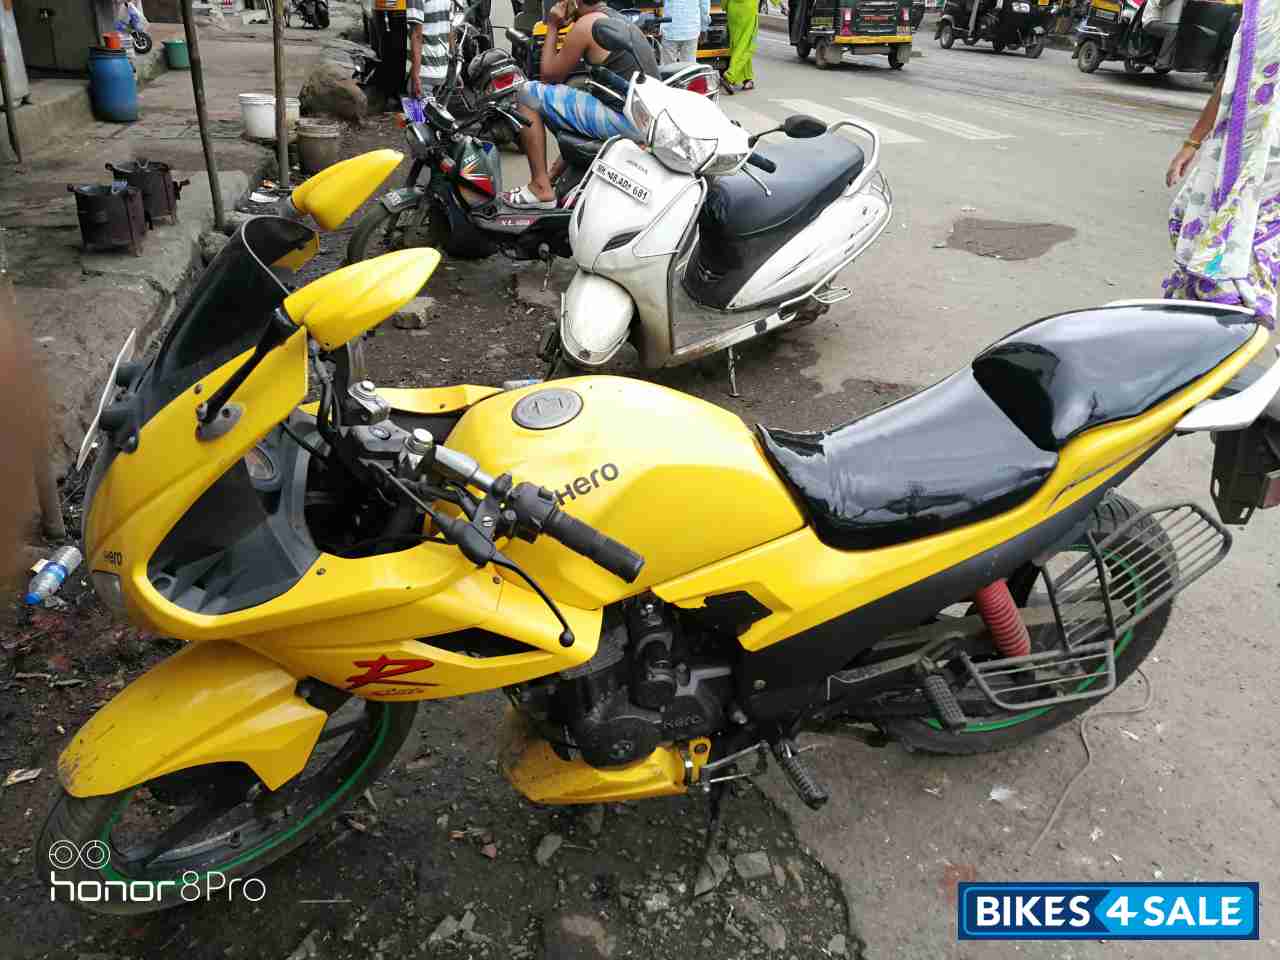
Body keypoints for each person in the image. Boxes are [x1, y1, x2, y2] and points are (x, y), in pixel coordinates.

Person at [1163, 0, 1278, 330]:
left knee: (1249, 264)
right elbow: (1231, 82)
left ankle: (1231, 332)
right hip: (1235, 152)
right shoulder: (1262, 13)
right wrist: (1192, 142)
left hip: (1270, 172)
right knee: (1196, 229)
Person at [504, 0, 659, 209]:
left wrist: (552, 25)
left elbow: (548, 76)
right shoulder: (616, 17)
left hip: (628, 121)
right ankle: (552, 176)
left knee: (526, 93)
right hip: (647, 120)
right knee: (577, 97)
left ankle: (540, 188)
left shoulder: (587, 24)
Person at [406, 0, 450, 101]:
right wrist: (453, 67)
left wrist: (415, 76)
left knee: (420, 110)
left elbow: (416, 35)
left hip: (424, 71)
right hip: (442, 70)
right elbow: (451, 29)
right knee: (433, 109)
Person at [661, 0, 711, 65]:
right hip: (691, 30)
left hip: (670, 29)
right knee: (689, 66)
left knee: (668, 67)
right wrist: (704, 28)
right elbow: (704, 6)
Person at [723, 0, 757, 92]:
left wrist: (725, 6)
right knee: (747, 47)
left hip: (733, 9)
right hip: (748, 10)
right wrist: (780, 4)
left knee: (737, 44)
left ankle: (747, 78)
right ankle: (730, 76)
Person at [1143, 0, 1184, 72]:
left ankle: (1169, 60)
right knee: (1174, 30)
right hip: (1151, 21)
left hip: (1158, 21)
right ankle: (1161, 62)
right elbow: (1161, 2)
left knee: (1176, 29)